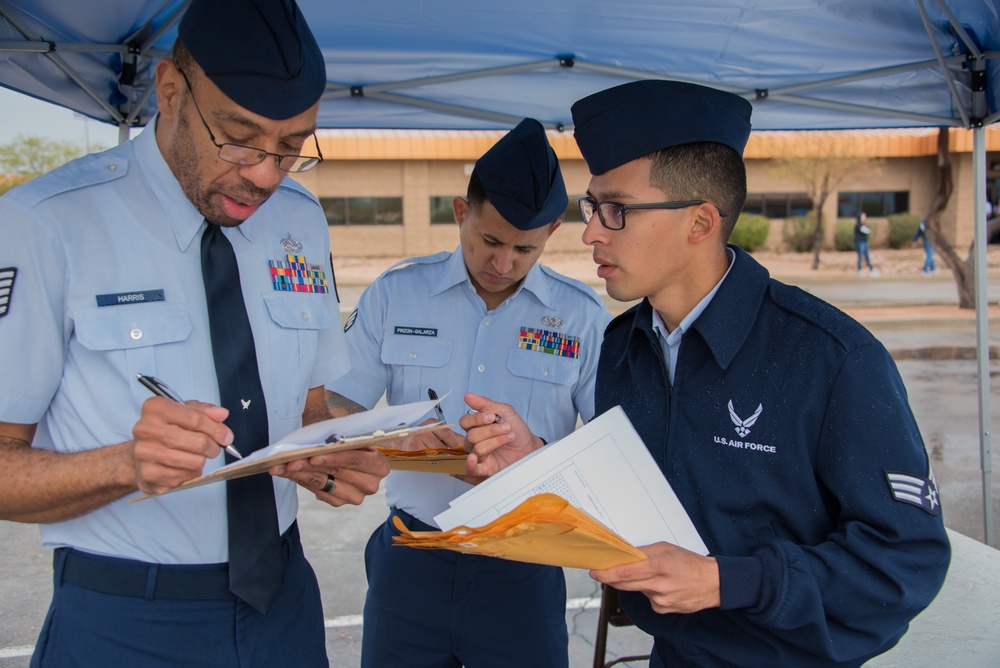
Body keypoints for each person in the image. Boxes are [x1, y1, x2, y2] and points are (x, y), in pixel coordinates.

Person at [462, 80, 951, 667]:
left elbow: (905, 562)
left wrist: (729, 582)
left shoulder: (829, 358)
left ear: (700, 223)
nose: (590, 232)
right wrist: (537, 463)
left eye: (616, 210)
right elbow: (634, 507)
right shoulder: (625, 347)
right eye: (593, 208)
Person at [0, 0, 390, 665]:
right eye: (238, 137)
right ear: (171, 91)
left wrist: (336, 455)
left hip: (285, 604)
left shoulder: (299, 219)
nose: (266, 173)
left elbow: (311, 407)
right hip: (126, 619)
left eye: (293, 146)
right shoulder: (46, 223)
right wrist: (124, 463)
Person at [326, 118, 612, 668]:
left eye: (524, 248)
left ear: (552, 232)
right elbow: (338, 407)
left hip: (522, 566)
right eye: (489, 240)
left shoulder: (580, 318)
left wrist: (528, 461)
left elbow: (606, 451)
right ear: (461, 213)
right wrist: (398, 438)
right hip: (413, 560)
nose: (503, 264)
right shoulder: (397, 294)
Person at [853, 211, 879, 275]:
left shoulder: (865, 225)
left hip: (865, 242)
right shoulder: (858, 225)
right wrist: (866, 228)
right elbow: (865, 231)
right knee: (860, 256)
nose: (865, 218)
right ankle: (859, 269)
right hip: (859, 242)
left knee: (867, 256)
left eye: (865, 216)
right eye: (863, 216)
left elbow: (868, 230)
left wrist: (866, 227)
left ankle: (871, 269)